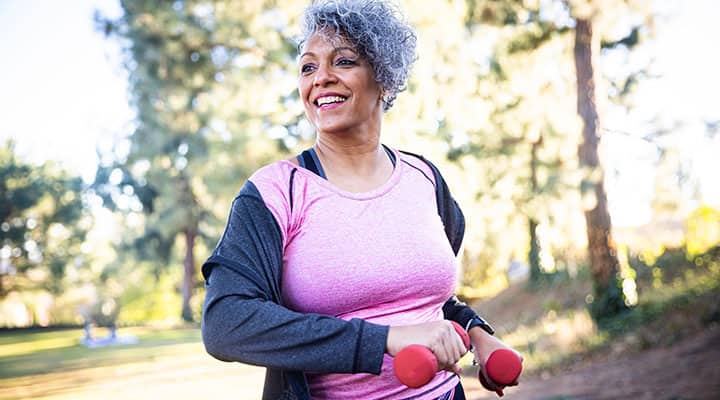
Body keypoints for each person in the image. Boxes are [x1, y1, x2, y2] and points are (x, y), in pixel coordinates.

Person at [201, 0, 520, 399]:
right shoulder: (275, 192)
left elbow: (426, 301)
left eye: (344, 61)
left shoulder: (425, 180)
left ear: (384, 78)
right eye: (308, 66)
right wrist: (384, 340)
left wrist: (478, 333)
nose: (321, 78)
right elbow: (225, 323)